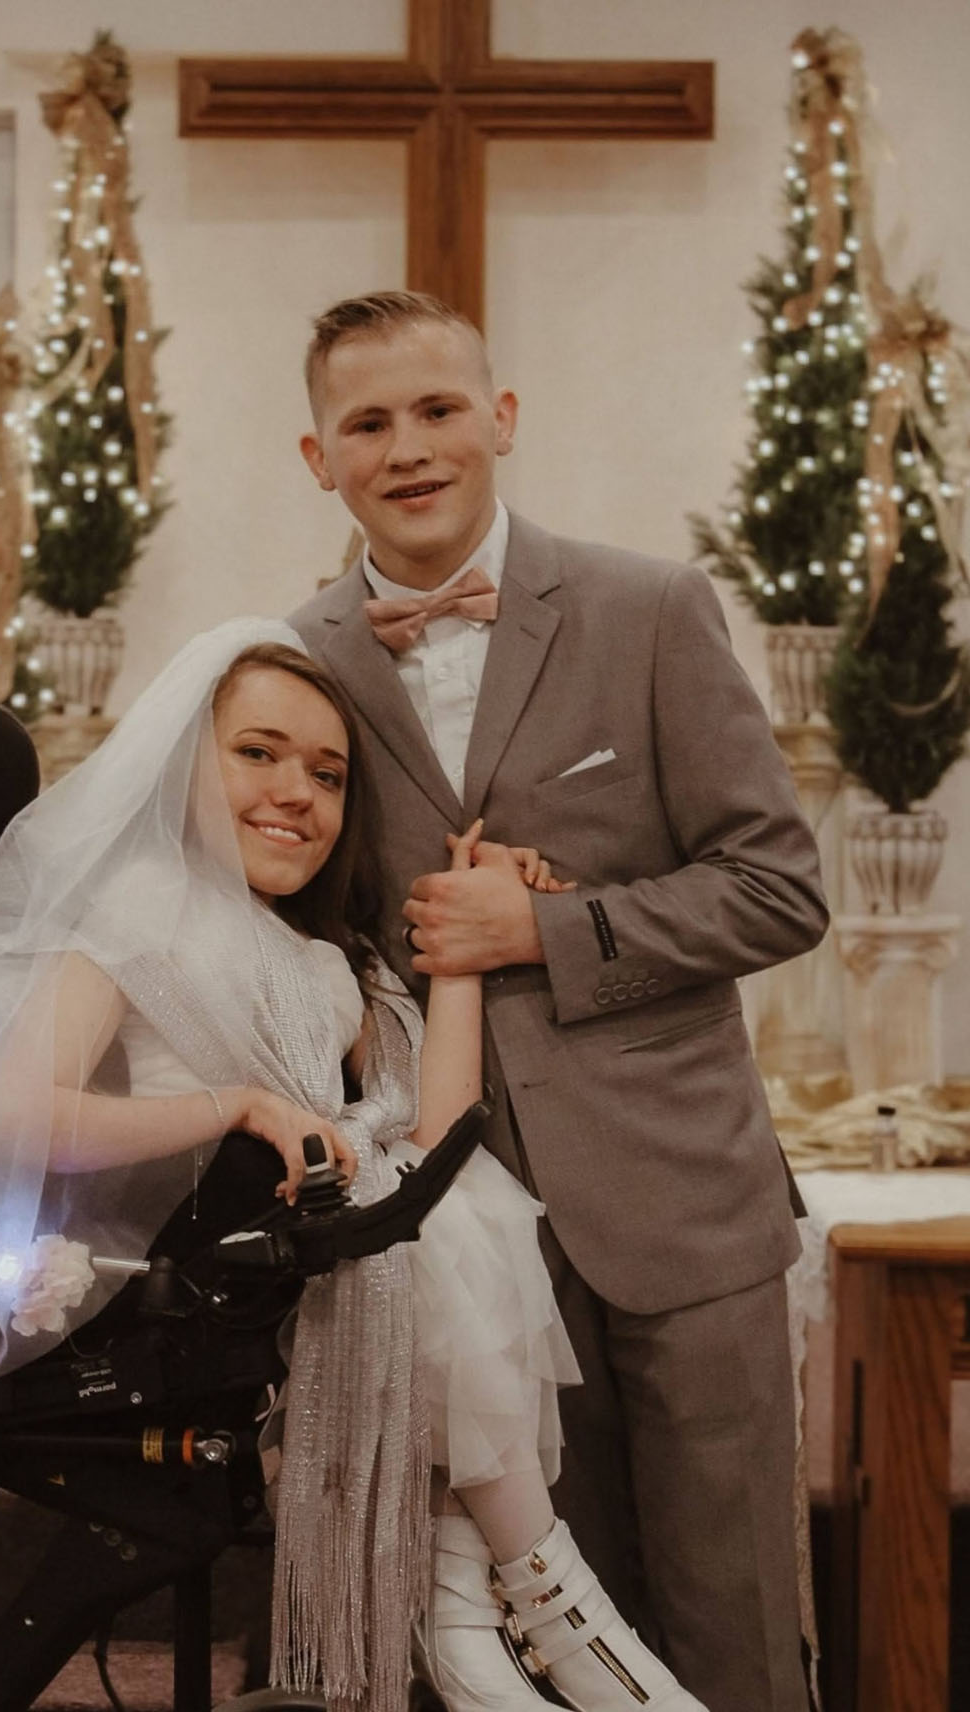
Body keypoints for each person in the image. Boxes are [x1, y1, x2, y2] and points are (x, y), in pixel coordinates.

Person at [0, 620, 705, 1712]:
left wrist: (459, 954)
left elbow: (434, 1132)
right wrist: (231, 1104)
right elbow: (11, 1115)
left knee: (444, 1207)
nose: (298, 793)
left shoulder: (319, 954)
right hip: (203, 1282)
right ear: (188, 761)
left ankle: (476, 1619)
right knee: (419, 1233)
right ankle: (558, 1609)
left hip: (331, 1245)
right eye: (258, 755)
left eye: (327, 775)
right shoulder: (132, 913)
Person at [291, 291, 829, 1712]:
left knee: (734, 1618)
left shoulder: (647, 609)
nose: (408, 448)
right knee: (539, 1644)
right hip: (466, 1239)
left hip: (681, 1205)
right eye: (368, 423)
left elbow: (779, 887)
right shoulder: (299, 661)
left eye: (438, 410)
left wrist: (549, 926)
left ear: (500, 420)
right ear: (317, 456)